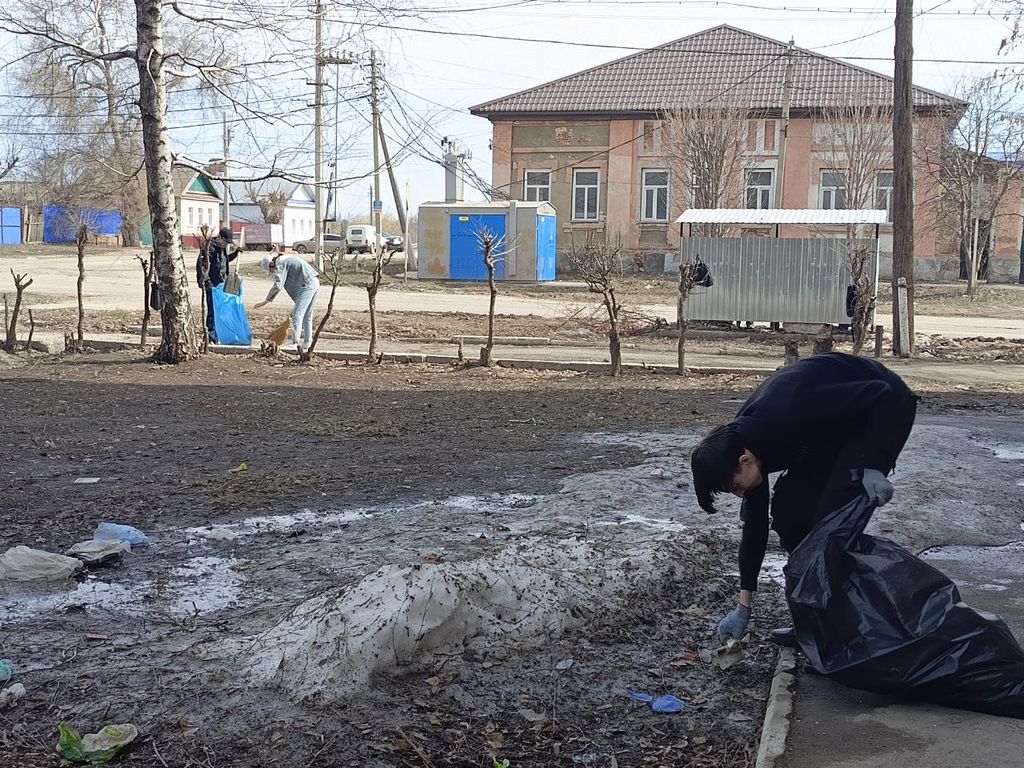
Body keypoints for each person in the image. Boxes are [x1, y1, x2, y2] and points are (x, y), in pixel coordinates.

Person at [690, 352, 918, 646]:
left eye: (733, 486)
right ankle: (816, 623)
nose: (738, 493)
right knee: (790, 516)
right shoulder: (745, 444)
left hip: (881, 407)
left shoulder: (787, 410)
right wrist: (743, 605)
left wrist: (874, 463)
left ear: (745, 461)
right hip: (828, 432)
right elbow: (755, 528)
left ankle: (844, 631)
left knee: (828, 524)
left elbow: (881, 393)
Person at [254, 251, 320, 353]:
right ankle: (307, 342)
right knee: (307, 315)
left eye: (272, 270)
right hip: (314, 281)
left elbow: (279, 284)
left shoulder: (281, 263)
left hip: (308, 284)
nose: (273, 272)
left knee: (297, 315)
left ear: (272, 264)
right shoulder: (286, 258)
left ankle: (294, 343)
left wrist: (267, 300)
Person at [196, 227, 238, 343]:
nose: (226, 245)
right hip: (212, 284)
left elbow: (224, 260)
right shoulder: (210, 248)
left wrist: (235, 254)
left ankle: (218, 335)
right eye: (225, 242)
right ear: (220, 238)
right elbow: (202, 265)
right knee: (213, 310)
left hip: (221, 283)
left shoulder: (221, 248)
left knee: (221, 310)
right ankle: (211, 336)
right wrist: (207, 281)